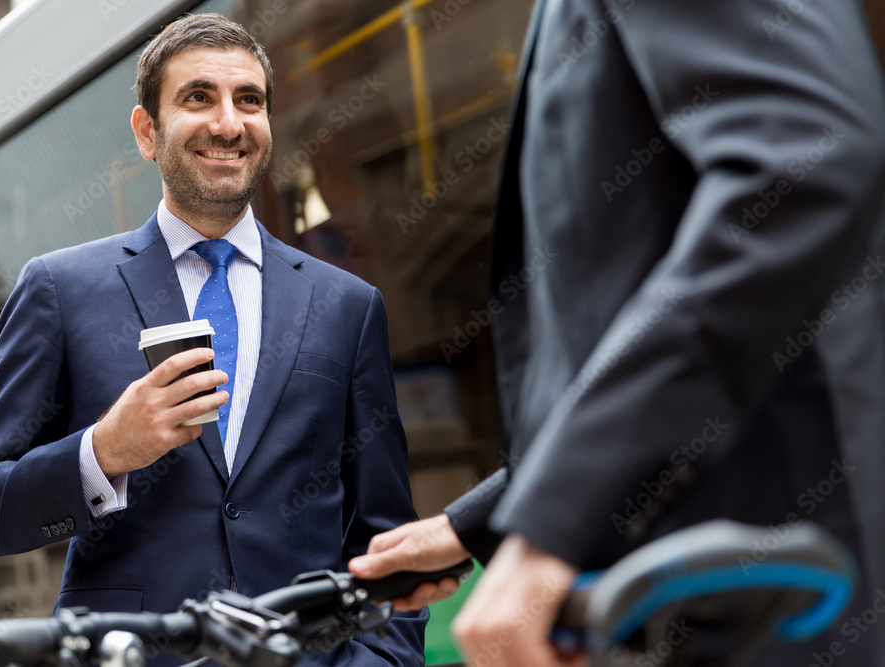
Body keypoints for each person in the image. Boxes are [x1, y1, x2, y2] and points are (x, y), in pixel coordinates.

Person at [348, 0, 885, 665]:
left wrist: (547, 528)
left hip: (782, 598)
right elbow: (617, 305)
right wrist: (483, 520)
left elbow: (804, 160)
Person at [0, 13, 426, 666]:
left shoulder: (347, 304)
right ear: (147, 132)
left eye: (249, 101)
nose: (229, 123)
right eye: (198, 97)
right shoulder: (59, 288)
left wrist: (382, 662)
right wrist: (105, 451)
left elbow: (388, 533)